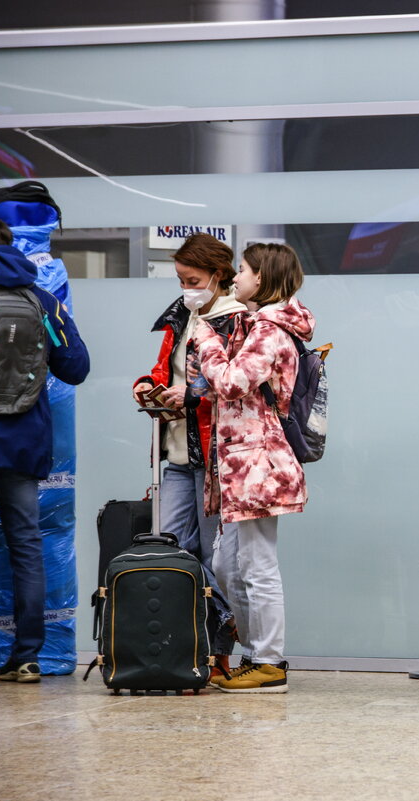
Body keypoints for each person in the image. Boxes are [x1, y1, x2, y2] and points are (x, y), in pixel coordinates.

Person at [192, 242, 315, 694]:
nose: (235, 277)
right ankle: (255, 649)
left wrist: (206, 339)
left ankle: (269, 662)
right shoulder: (256, 325)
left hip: (258, 464)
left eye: (242, 270)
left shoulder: (268, 330)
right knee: (228, 565)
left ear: (261, 277)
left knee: (257, 565)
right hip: (241, 465)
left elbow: (232, 382)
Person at [132, 232, 245, 680]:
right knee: (171, 548)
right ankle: (207, 637)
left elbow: (237, 388)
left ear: (218, 275)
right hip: (178, 452)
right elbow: (167, 371)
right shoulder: (181, 315)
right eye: (180, 279)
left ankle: (219, 651)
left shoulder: (235, 320)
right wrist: (149, 385)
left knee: (217, 558)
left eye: (192, 279)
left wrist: (192, 396)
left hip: (216, 455)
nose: (185, 287)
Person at [0, 218, 89, 685]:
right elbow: (77, 368)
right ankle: (28, 657)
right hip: (25, 439)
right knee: (27, 543)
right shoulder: (44, 300)